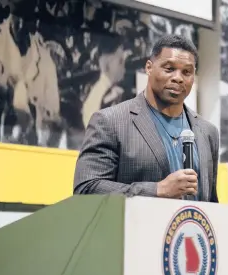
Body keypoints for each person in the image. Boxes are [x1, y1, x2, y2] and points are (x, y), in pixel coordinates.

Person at [73, 34, 220, 202]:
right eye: (169, 68)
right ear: (149, 68)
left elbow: (210, 201)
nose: (178, 78)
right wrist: (157, 189)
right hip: (136, 228)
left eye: (186, 72)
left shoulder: (208, 132)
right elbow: (86, 188)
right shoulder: (110, 122)